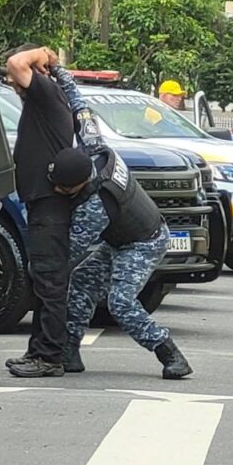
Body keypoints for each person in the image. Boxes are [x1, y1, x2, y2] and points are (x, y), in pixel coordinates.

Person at [49, 147, 192, 379]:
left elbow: (70, 251)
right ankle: (69, 351)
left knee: (120, 303)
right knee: (83, 279)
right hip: (122, 239)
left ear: (81, 183)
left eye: (64, 188)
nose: (57, 190)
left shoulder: (95, 207)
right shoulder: (96, 157)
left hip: (145, 243)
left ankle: (169, 353)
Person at [3, 46, 78, 378]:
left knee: (50, 281)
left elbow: (17, 63)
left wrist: (44, 54)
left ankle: (49, 357)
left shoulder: (48, 92)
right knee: (42, 278)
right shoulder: (43, 100)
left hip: (50, 205)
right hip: (42, 203)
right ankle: (38, 351)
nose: (13, 81)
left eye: (19, 78)